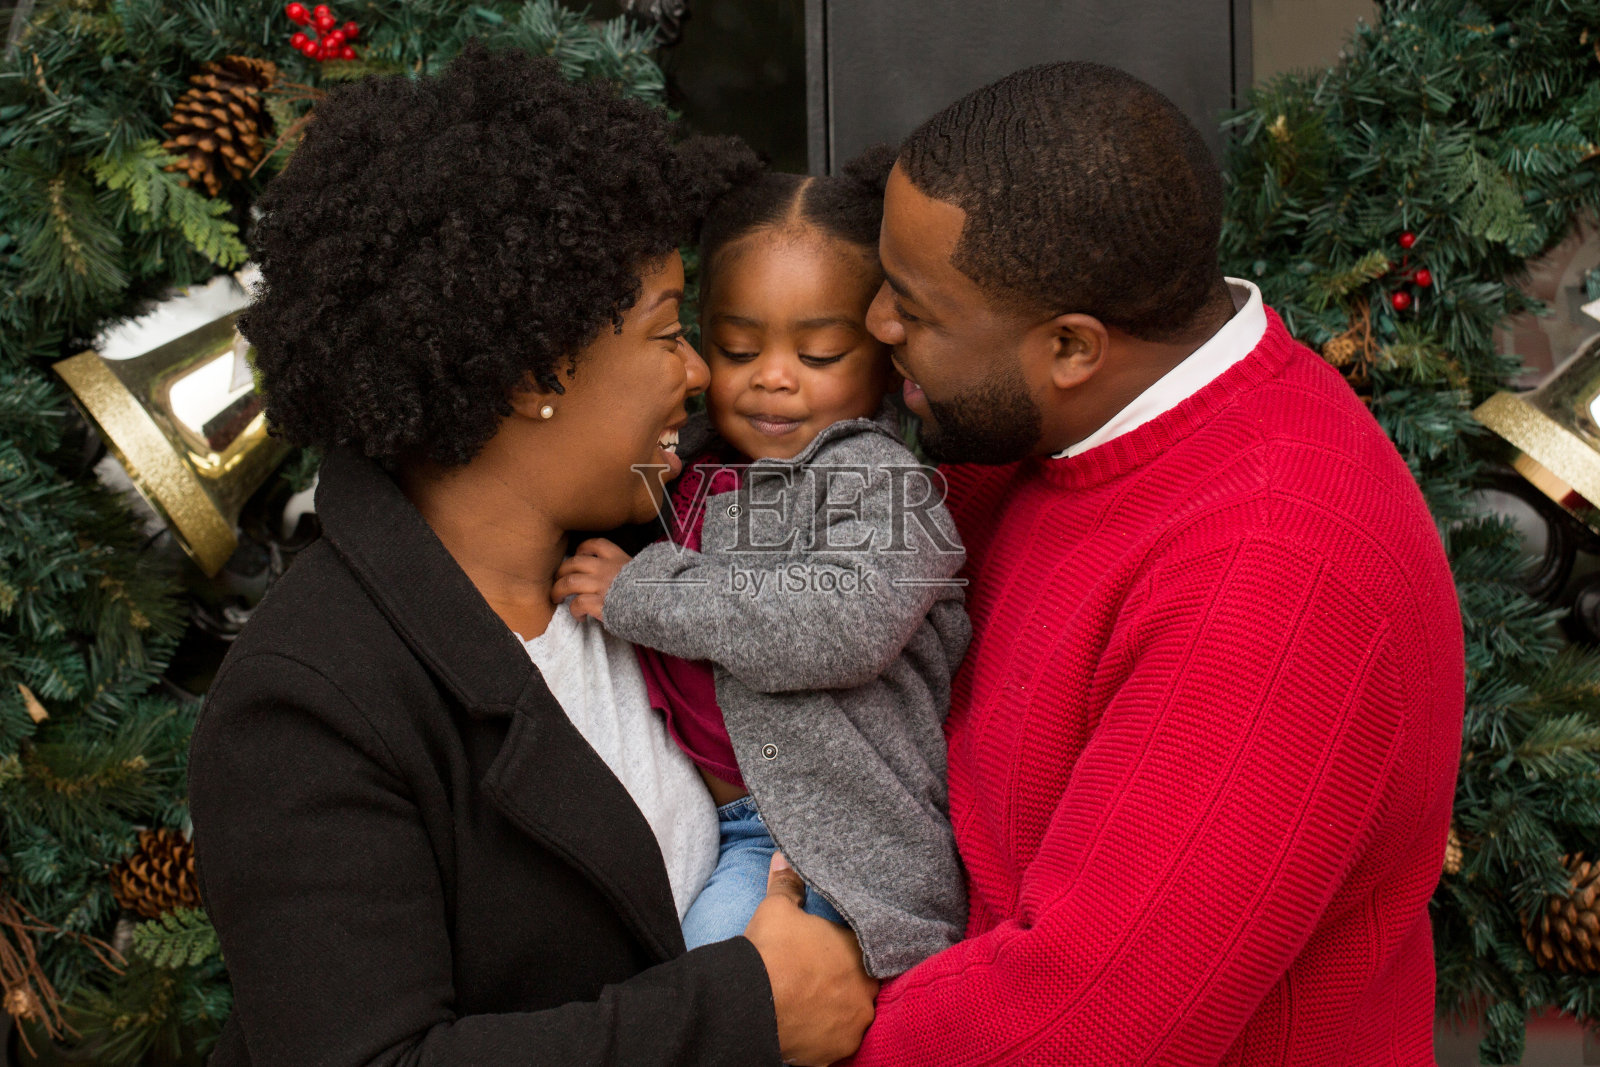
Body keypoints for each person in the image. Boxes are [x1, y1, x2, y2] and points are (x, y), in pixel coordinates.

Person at [187, 43, 875, 1067]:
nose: (695, 370)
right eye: (660, 331)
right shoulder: (310, 701)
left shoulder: (672, 535)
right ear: (530, 374)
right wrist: (740, 1017)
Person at [846, 62, 1465, 1065]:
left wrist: (771, 1016)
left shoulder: (1275, 571)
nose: (876, 324)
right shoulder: (1033, 428)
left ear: (1073, 347)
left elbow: (1077, 1027)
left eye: (914, 310)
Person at [551, 151, 970, 978]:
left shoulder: (879, 483)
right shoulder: (689, 463)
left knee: (725, 997)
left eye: (817, 357)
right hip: (733, 829)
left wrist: (643, 592)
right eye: (739, 350)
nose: (773, 379)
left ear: (885, 355)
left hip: (838, 849)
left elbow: (834, 623)